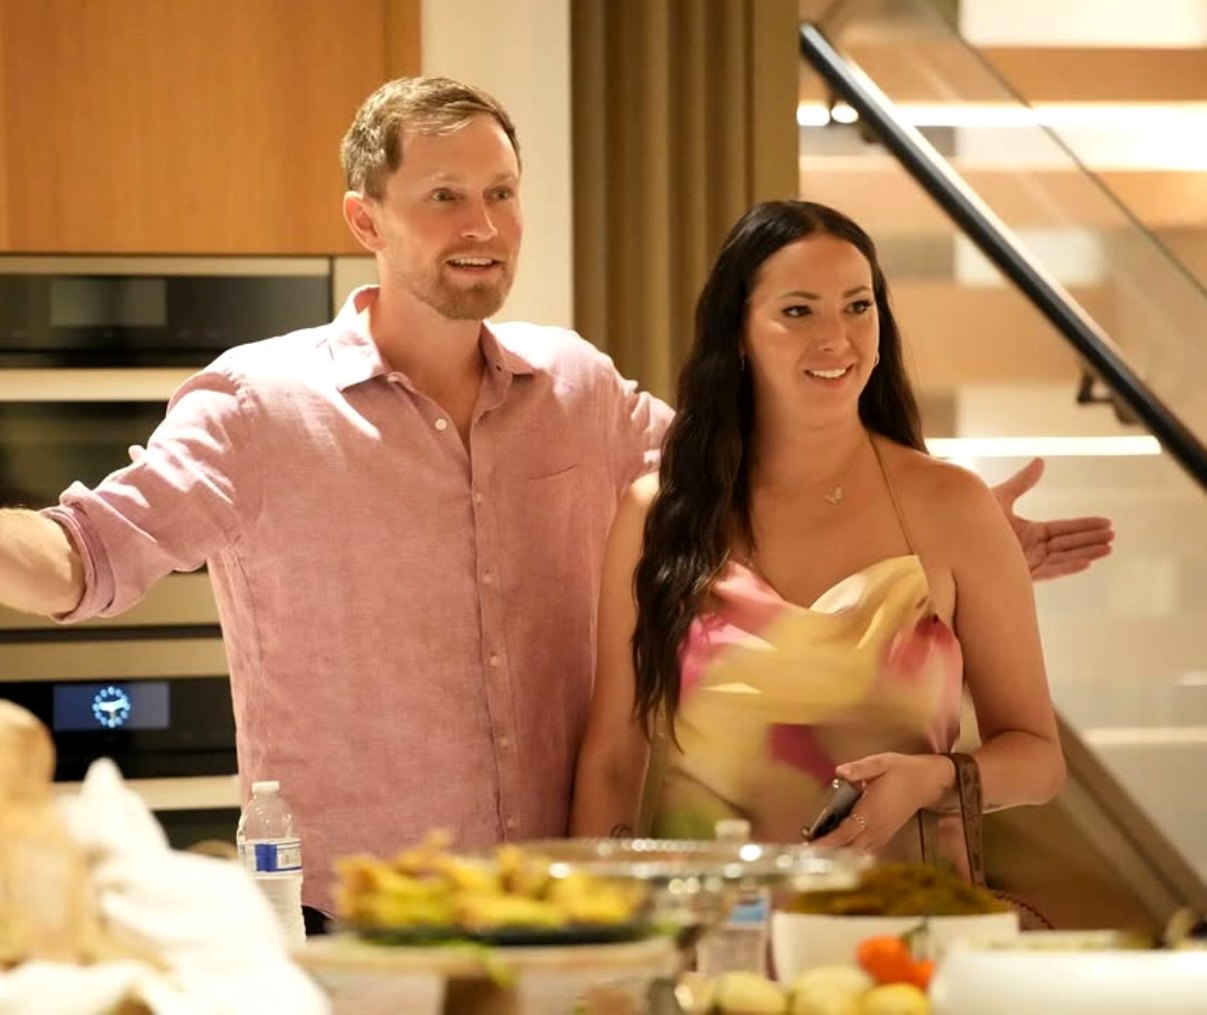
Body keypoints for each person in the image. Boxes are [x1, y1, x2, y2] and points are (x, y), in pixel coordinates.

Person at [0, 80, 1105, 910]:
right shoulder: (259, 405)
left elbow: (753, 491)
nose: (481, 225)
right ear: (365, 221)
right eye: (443, 197)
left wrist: (948, 537)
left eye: (500, 193)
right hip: (360, 918)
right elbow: (86, 555)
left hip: (567, 910)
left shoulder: (575, 385)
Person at [570, 200, 1067, 875]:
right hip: (710, 925)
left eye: (858, 307)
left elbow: (1038, 759)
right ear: (738, 334)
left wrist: (932, 779)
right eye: (798, 311)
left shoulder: (953, 507)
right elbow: (612, 759)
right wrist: (599, 920)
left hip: (901, 922)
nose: (837, 338)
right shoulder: (658, 514)